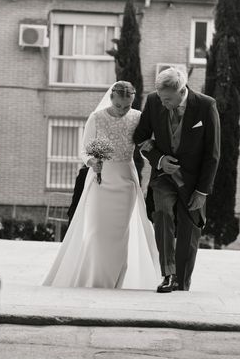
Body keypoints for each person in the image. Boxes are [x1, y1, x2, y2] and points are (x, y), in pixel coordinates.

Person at [43, 81, 161, 289]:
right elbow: (84, 150)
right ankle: (93, 278)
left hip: (126, 180)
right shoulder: (96, 118)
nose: (124, 110)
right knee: (97, 232)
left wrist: (151, 146)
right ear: (111, 99)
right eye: (119, 106)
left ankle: (116, 280)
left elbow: (144, 143)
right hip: (101, 179)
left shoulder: (138, 117)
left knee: (120, 234)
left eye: (127, 106)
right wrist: (92, 162)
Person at [133, 67, 221, 293]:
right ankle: (168, 275)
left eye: (168, 99)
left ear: (182, 91)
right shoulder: (153, 101)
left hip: (193, 182)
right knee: (162, 214)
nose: (163, 103)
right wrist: (159, 159)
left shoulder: (205, 105)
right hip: (163, 177)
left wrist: (202, 192)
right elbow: (140, 136)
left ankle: (182, 281)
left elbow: (213, 153)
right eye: (161, 98)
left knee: (189, 232)